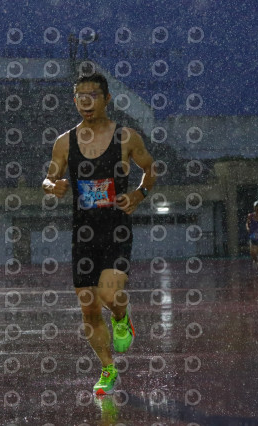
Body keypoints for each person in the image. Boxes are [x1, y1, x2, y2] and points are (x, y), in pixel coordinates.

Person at [42, 72, 156, 395]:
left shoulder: (126, 137)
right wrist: (53, 186)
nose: (86, 101)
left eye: (93, 95)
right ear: (74, 101)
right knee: (89, 308)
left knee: (108, 295)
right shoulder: (65, 142)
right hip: (83, 234)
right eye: (81, 96)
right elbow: (48, 178)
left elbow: (150, 168)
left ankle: (121, 315)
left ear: (107, 98)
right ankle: (108, 368)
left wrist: (139, 195)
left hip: (116, 229)